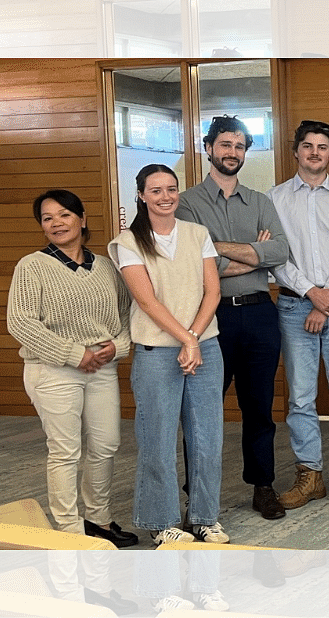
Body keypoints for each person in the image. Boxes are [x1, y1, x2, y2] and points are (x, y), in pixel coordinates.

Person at [7, 190, 137, 548]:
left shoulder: (107, 266)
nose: (56, 223)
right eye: (47, 218)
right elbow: (20, 322)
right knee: (65, 450)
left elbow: (127, 315)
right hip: (53, 370)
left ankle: (96, 519)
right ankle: (69, 531)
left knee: (106, 444)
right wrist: (73, 354)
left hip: (102, 367)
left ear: (82, 219)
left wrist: (118, 346)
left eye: (63, 215)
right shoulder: (32, 265)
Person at [177, 115, 290, 520]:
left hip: (260, 315)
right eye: (225, 144)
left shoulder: (260, 201)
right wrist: (250, 255)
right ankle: (198, 495)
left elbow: (280, 252)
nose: (232, 152)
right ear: (209, 148)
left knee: (259, 408)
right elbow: (191, 263)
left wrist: (218, 252)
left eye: (239, 146)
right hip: (211, 319)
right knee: (202, 410)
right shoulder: (187, 202)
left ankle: (263, 485)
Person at [109, 164, 227, 545]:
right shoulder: (128, 242)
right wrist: (186, 340)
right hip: (157, 352)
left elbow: (213, 292)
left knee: (207, 438)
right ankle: (162, 523)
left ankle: (206, 517)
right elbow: (147, 301)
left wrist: (194, 338)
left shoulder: (197, 234)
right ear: (141, 195)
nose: (165, 197)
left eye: (171, 189)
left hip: (204, 347)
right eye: (156, 190)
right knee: (157, 440)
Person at [268, 120, 329, 511]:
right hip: (295, 307)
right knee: (301, 398)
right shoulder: (274, 198)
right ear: (296, 151)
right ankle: (309, 476)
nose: (314, 152)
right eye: (307, 146)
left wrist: (326, 301)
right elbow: (277, 257)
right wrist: (311, 294)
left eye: (322, 147)